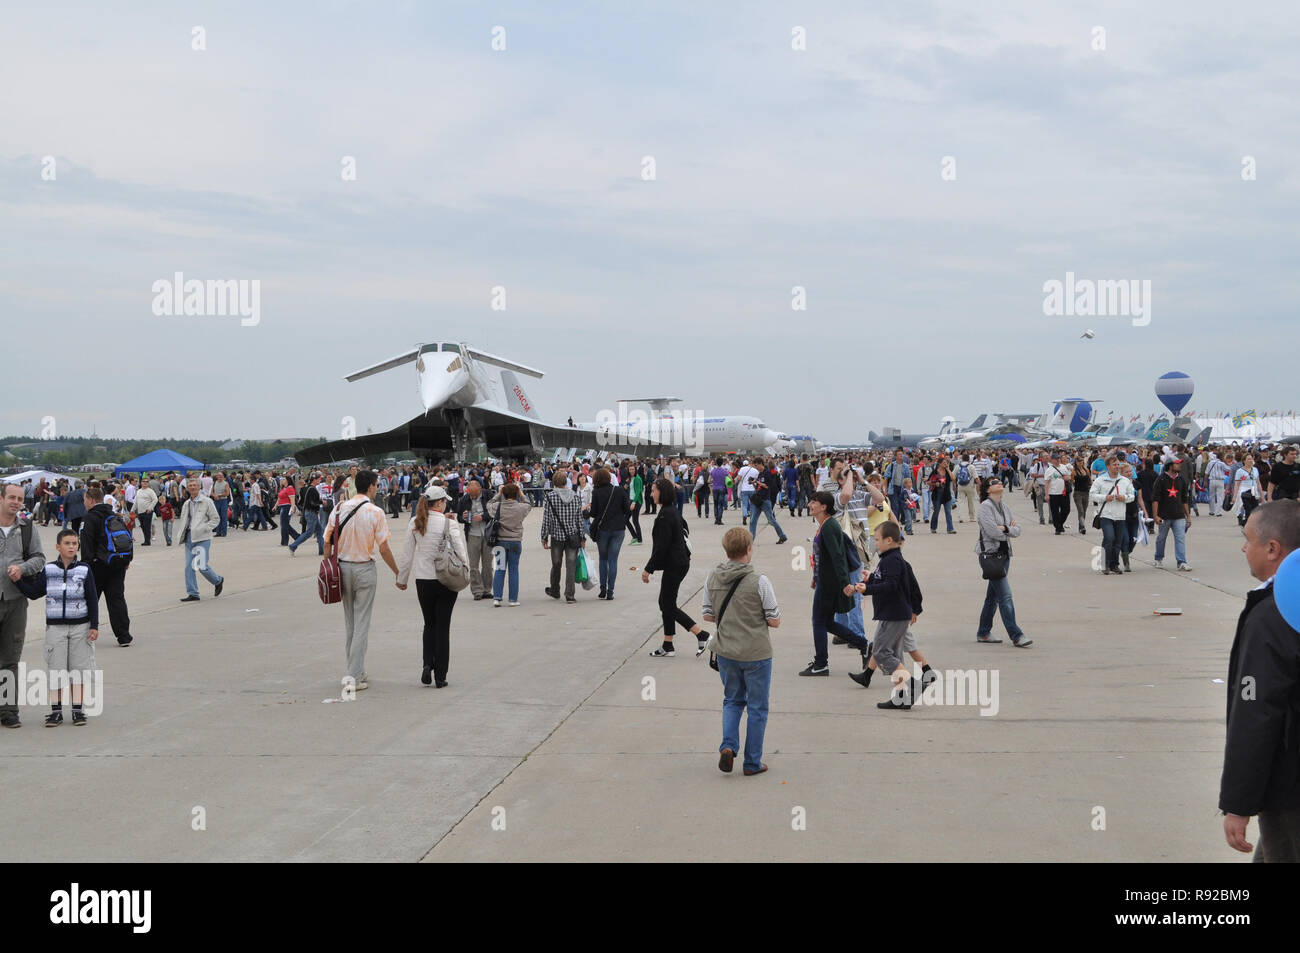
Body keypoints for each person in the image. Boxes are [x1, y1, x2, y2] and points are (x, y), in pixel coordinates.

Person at [1220, 500, 1300, 861]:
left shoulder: (1273, 613)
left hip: (1289, 790)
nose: (1243, 547)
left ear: (1272, 549)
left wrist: (1238, 802)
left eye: (1248, 539)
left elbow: (1256, 712)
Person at [704, 527, 781, 777]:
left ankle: (728, 746)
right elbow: (774, 619)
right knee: (757, 707)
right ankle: (752, 762)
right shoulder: (759, 580)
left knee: (732, 700)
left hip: (727, 651)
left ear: (726, 550)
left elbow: (708, 614)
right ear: (749, 549)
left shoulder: (712, 577)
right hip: (756, 653)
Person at [322, 470, 400, 692]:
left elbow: (326, 542)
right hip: (365, 568)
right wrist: (397, 571)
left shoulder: (338, 508)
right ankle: (354, 676)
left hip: (342, 569)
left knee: (351, 623)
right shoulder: (375, 512)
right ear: (372, 486)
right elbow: (383, 548)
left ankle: (356, 669)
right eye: (376, 485)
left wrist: (328, 565)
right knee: (362, 623)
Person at [850, 521, 927, 708]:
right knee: (894, 654)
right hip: (892, 613)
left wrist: (867, 589)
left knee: (881, 652)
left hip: (895, 614)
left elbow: (891, 586)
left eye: (877, 540)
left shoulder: (893, 560)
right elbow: (885, 581)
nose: (875, 543)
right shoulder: (889, 559)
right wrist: (870, 580)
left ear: (889, 540)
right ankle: (901, 698)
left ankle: (913, 685)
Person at [396, 485, 468, 687]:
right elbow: (460, 551)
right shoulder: (449, 524)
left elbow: (407, 555)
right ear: (439, 503)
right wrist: (466, 571)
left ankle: (427, 664)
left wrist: (402, 579)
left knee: (429, 624)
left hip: (423, 580)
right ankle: (441, 676)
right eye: (445, 501)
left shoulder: (415, 522)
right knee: (443, 628)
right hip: (446, 580)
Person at [28, 529, 98, 726]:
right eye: (67, 543)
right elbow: (34, 593)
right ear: (58, 546)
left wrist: (94, 625)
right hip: (55, 629)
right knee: (56, 670)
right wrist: (18, 581)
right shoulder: (49, 570)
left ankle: (77, 710)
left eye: (75, 544)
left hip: (80, 627)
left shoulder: (84, 569)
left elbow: (92, 598)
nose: (71, 547)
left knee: (79, 670)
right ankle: (56, 712)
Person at [800, 490, 869, 676]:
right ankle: (864, 645)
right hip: (825, 580)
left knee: (818, 622)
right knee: (827, 623)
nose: (810, 505)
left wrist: (845, 583)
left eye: (814, 502)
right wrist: (815, 577)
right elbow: (823, 557)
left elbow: (838, 556)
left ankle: (821, 664)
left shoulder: (830, 526)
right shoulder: (824, 525)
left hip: (830, 583)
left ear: (824, 507)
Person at [643, 478, 708, 657]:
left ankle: (701, 634)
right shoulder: (672, 511)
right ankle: (668, 644)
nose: (651, 494)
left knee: (667, 604)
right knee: (666, 603)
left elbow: (661, 547)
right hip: (679, 562)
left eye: (653, 490)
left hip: (675, 564)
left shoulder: (665, 515)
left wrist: (648, 569)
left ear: (661, 492)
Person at [0, 483, 46, 727]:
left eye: (19, 498)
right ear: (1, 498)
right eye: (11, 497)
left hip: (16, 601)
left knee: (10, 659)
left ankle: (8, 711)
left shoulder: (27, 528)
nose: (16, 502)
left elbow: (40, 558)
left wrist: (23, 568)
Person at [974, 479, 1032, 646]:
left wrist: (1005, 528)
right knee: (1005, 596)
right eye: (994, 482)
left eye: (1000, 481)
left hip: (1004, 555)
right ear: (987, 489)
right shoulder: (986, 506)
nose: (999, 483)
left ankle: (983, 632)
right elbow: (992, 531)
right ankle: (1016, 635)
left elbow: (1017, 530)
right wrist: (1008, 529)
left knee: (992, 597)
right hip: (991, 555)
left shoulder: (1005, 507)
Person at [79, 485, 133, 647]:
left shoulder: (89, 518)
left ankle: (84, 633)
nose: (84, 503)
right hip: (118, 563)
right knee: (116, 599)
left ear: (90, 500)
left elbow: (86, 545)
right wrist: (126, 560)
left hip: (98, 566)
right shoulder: (114, 514)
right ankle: (124, 636)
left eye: (85, 500)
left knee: (89, 599)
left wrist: (85, 566)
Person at [176, 477, 225, 603]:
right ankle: (193, 593)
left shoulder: (207, 501)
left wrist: (205, 528)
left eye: (194, 485)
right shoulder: (187, 503)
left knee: (200, 565)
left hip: (202, 537)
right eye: (190, 485)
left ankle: (217, 580)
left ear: (199, 487)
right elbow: (184, 520)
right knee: (188, 566)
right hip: (189, 537)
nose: (192, 487)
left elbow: (215, 519)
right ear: (187, 488)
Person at [540, 469, 584, 604]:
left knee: (556, 564)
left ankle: (555, 590)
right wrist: (582, 537)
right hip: (573, 536)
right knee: (571, 565)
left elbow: (547, 518)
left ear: (554, 482)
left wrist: (544, 536)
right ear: (566, 481)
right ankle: (570, 595)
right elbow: (579, 519)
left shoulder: (550, 497)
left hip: (557, 536)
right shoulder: (576, 496)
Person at [586, 468, 630, 601]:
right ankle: (611, 591)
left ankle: (603, 589)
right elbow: (627, 509)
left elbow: (593, 513)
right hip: (618, 529)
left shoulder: (597, 492)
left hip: (603, 529)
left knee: (603, 559)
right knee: (613, 560)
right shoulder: (619, 490)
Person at [487, 482, 531, 606]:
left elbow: (488, 504)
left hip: (500, 541)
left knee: (499, 569)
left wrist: (498, 493)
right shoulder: (521, 507)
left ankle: (497, 597)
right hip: (515, 540)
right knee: (513, 569)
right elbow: (528, 504)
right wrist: (521, 493)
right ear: (516, 494)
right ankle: (513, 599)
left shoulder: (498, 506)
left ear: (504, 494)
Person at [1091, 456, 1135, 575]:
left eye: (1118, 464)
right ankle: (1105, 563)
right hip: (1106, 514)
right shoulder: (1100, 480)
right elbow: (1092, 494)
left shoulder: (1125, 481)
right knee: (1109, 537)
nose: (1117, 467)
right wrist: (1105, 497)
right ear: (1108, 466)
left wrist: (1124, 498)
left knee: (1118, 541)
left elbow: (1132, 496)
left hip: (1120, 515)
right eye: (1114, 464)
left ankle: (1114, 564)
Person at [1152, 456, 1194, 571]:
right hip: (1164, 515)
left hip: (1179, 515)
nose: (1179, 465)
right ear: (1170, 465)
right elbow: (1155, 499)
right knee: (1161, 538)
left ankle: (1182, 561)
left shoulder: (1181, 480)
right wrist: (1155, 515)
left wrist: (1188, 517)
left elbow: (1184, 500)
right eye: (1177, 463)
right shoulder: (1160, 479)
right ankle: (1158, 558)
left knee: (1180, 538)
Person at [456, 480, 494, 601]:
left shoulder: (489, 495)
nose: (472, 497)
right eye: (470, 494)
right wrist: (464, 517)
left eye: (474, 495)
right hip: (472, 534)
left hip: (488, 534)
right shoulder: (464, 499)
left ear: (480, 490)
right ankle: (477, 590)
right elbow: (459, 517)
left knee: (488, 564)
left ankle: (487, 590)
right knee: (473, 565)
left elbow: (495, 513)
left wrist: (483, 517)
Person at [746, 458, 789, 544]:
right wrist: (753, 483)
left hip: (765, 500)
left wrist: (757, 482)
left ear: (761, 463)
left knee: (771, 520)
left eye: (756, 465)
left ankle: (782, 536)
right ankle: (750, 540)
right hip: (758, 499)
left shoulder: (767, 473)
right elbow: (759, 487)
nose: (756, 467)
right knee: (752, 521)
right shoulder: (760, 474)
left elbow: (767, 486)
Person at [289, 473, 326, 556]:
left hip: (311, 513)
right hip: (311, 513)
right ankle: (293, 546)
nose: (320, 480)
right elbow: (312, 503)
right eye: (319, 479)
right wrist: (321, 502)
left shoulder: (310, 488)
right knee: (309, 532)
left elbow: (310, 501)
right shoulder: (312, 489)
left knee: (320, 531)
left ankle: (322, 550)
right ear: (314, 480)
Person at [1044, 453, 1071, 535]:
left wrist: (1068, 477)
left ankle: (1060, 524)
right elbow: (1047, 483)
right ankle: (1058, 528)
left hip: (1064, 492)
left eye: (1059, 458)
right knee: (1055, 511)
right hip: (1054, 493)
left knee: (1066, 510)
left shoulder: (1063, 467)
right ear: (1052, 460)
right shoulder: (1049, 470)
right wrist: (1047, 494)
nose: (1058, 460)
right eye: (1056, 459)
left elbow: (1069, 476)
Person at [928, 457, 956, 534]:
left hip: (947, 495)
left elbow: (953, 479)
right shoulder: (935, 472)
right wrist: (935, 484)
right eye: (944, 462)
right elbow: (929, 482)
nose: (946, 464)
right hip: (937, 495)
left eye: (946, 462)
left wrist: (948, 470)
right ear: (939, 464)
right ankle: (933, 527)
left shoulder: (947, 472)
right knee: (936, 511)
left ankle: (950, 529)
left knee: (948, 512)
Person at [1233, 453, 1262, 525]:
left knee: (1255, 508)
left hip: (1254, 490)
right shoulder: (1239, 471)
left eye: (1251, 459)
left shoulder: (1255, 470)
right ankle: (1246, 522)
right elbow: (1237, 484)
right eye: (1248, 459)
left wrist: (1261, 495)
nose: (1250, 461)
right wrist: (1235, 496)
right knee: (1247, 508)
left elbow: (1258, 483)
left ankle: (1249, 522)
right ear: (1244, 461)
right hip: (1244, 491)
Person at [132, 479, 158, 546]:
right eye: (144, 481)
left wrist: (150, 508)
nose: (145, 483)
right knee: (143, 526)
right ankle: (146, 540)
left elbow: (155, 499)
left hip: (147, 511)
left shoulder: (150, 491)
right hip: (140, 512)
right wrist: (132, 510)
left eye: (147, 482)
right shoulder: (138, 491)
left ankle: (147, 541)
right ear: (141, 483)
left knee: (147, 526)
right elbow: (136, 501)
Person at [1072, 456, 1092, 534]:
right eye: (1079, 461)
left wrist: (1092, 487)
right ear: (1076, 463)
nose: (1080, 463)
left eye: (1081, 461)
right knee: (1080, 510)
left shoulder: (1086, 470)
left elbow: (1090, 479)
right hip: (1078, 493)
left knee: (1084, 510)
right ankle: (1082, 526)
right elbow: (1071, 481)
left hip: (1086, 492)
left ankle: (1081, 525)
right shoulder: (1074, 471)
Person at [955, 454, 978, 523]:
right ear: (968, 459)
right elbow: (976, 477)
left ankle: (960, 517)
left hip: (960, 486)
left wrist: (954, 484)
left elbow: (953, 476)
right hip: (970, 486)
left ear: (962, 459)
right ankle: (972, 517)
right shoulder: (971, 466)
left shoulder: (957, 466)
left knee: (960, 501)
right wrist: (980, 485)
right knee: (971, 502)